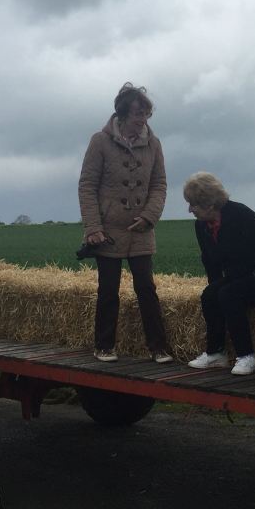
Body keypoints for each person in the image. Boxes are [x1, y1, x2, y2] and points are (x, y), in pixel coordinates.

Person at [78, 82, 172, 363]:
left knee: (146, 289)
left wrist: (149, 216)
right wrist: (93, 227)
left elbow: (159, 184)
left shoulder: (154, 144)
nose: (142, 120)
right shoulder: (100, 141)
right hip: (108, 231)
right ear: (122, 114)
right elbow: (87, 185)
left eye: (146, 114)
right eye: (137, 114)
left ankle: (158, 347)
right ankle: (104, 346)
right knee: (108, 290)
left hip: (141, 229)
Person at [183, 172, 255, 376]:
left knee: (229, 294)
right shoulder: (201, 225)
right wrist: (215, 286)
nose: (190, 210)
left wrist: (234, 283)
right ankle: (216, 353)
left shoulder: (242, 216)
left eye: (193, 204)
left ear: (209, 204)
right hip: (237, 277)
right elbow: (210, 261)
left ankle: (247, 356)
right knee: (210, 294)